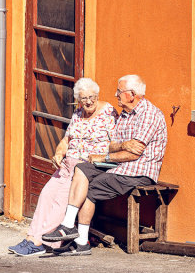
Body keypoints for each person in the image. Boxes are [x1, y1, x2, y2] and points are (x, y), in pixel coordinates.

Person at [42, 74, 168, 256]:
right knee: (82, 169)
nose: (116, 94)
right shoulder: (125, 114)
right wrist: (122, 145)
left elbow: (134, 154)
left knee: (91, 187)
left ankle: (81, 242)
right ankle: (69, 225)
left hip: (138, 170)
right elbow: (113, 144)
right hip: (121, 166)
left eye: (119, 91)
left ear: (131, 94)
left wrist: (105, 158)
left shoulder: (149, 115)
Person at [8, 77, 116, 256]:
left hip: (85, 168)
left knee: (61, 202)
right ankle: (31, 237)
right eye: (83, 98)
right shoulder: (78, 113)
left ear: (97, 96)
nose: (88, 102)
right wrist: (59, 153)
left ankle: (42, 242)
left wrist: (99, 159)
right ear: (78, 100)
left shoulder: (109, 113)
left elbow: (115, 144)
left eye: (92, 97)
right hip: (67, 166)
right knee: (46, 195)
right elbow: (67, 139)